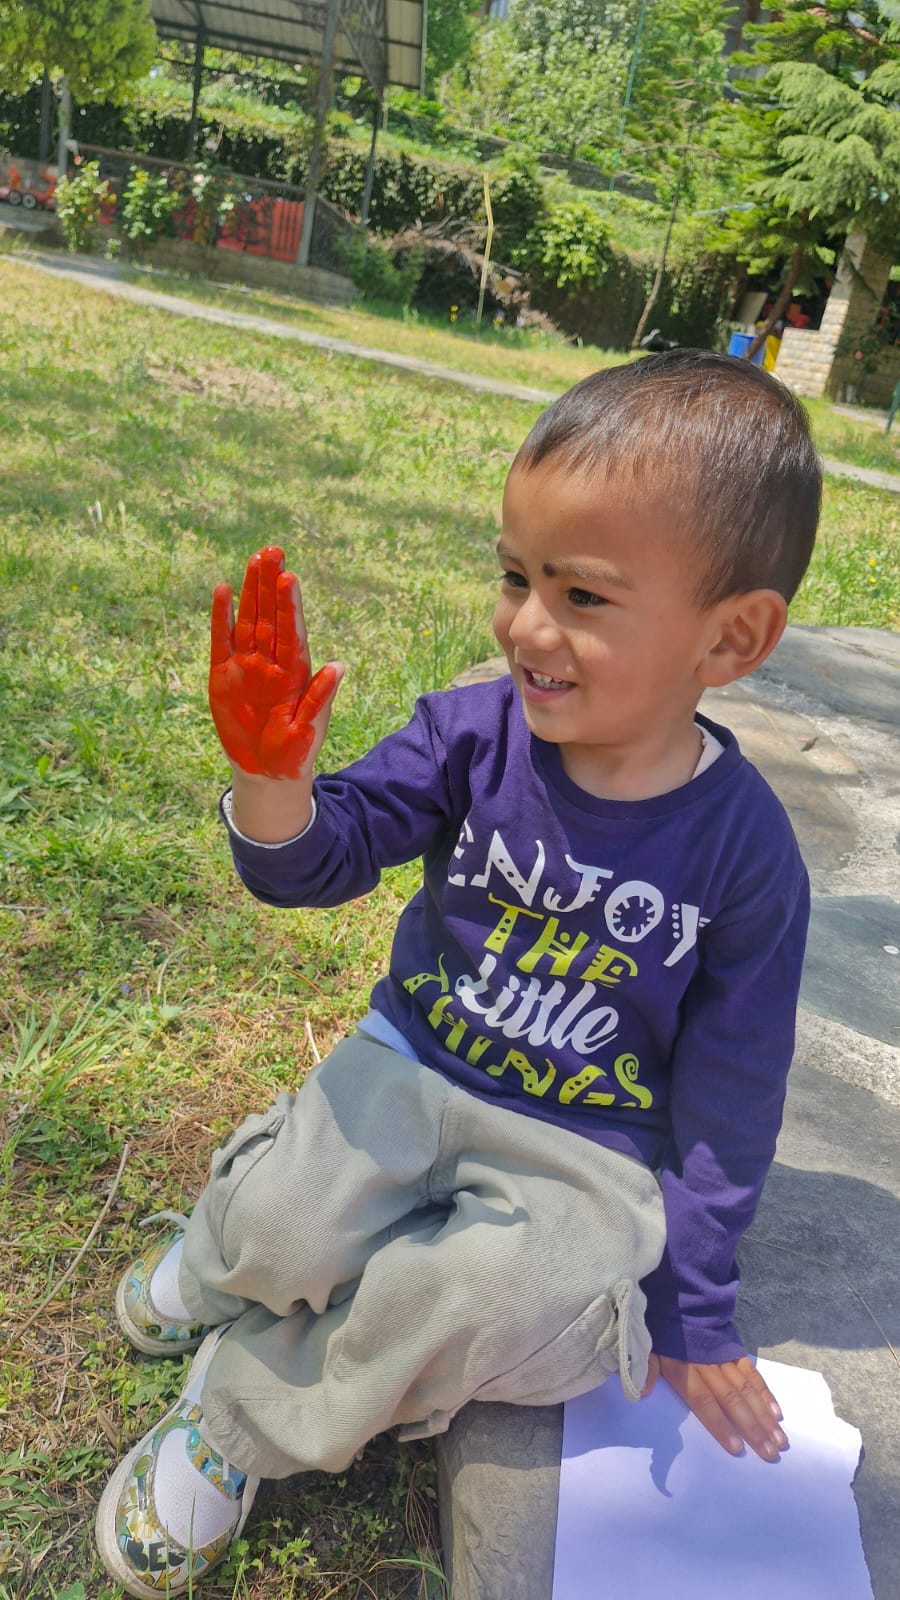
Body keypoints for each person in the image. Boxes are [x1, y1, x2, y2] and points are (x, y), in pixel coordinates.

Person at [95, 349, 820, 1599]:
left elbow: (731, 1092)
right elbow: (321, 859)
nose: (527, 625)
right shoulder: (471, 732)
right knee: (283, 1225)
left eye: (584, 596)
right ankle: (226, 1257)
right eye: (516, 576)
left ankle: (242, 1410)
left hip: (581, 1148)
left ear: (734, 635)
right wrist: (273, 784)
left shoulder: (748, 857)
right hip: (414, 1062)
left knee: (522, 1307)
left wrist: (695, 1312)